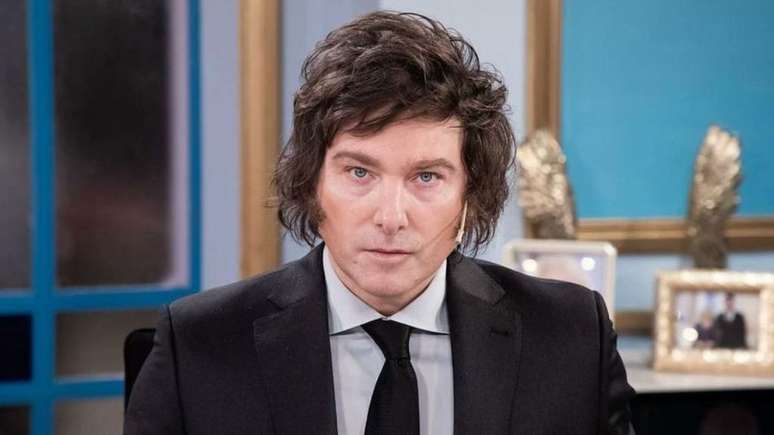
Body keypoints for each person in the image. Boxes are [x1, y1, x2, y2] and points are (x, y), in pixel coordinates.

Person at [125, 11, 635, 435]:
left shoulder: (571, 336)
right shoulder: (199, 345)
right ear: (311, 183)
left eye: (427, 177)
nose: (390, 217)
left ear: (470, 195)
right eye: (359, 172)